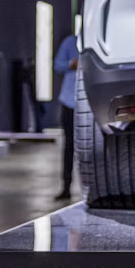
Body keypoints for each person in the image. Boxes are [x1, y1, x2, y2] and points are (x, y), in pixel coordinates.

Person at [53, 32, 80, 201]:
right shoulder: (70, 42)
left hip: (91, 102)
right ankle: (66, 186)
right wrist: (72, 63)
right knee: (69, 144)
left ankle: (94, 187)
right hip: (69, 101)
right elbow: (57, 65)